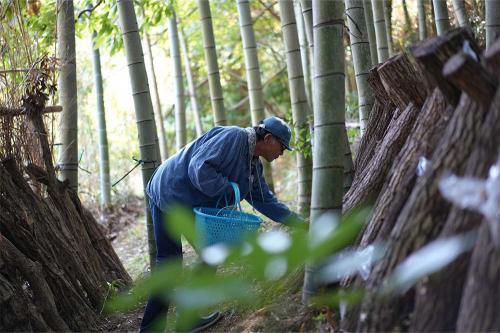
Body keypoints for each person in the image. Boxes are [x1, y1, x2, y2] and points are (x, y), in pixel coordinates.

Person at [140, 116, 299, 332]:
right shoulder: (233, 137)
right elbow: (199, 168)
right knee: (170, 263)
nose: (281, 154)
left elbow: (264, 200)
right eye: (282, 147)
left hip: (190, 201)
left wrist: (297, 222)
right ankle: (149, 329)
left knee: (212, 253)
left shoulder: (253, 166)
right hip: (169, 190)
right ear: (269, 139)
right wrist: (229, 189)